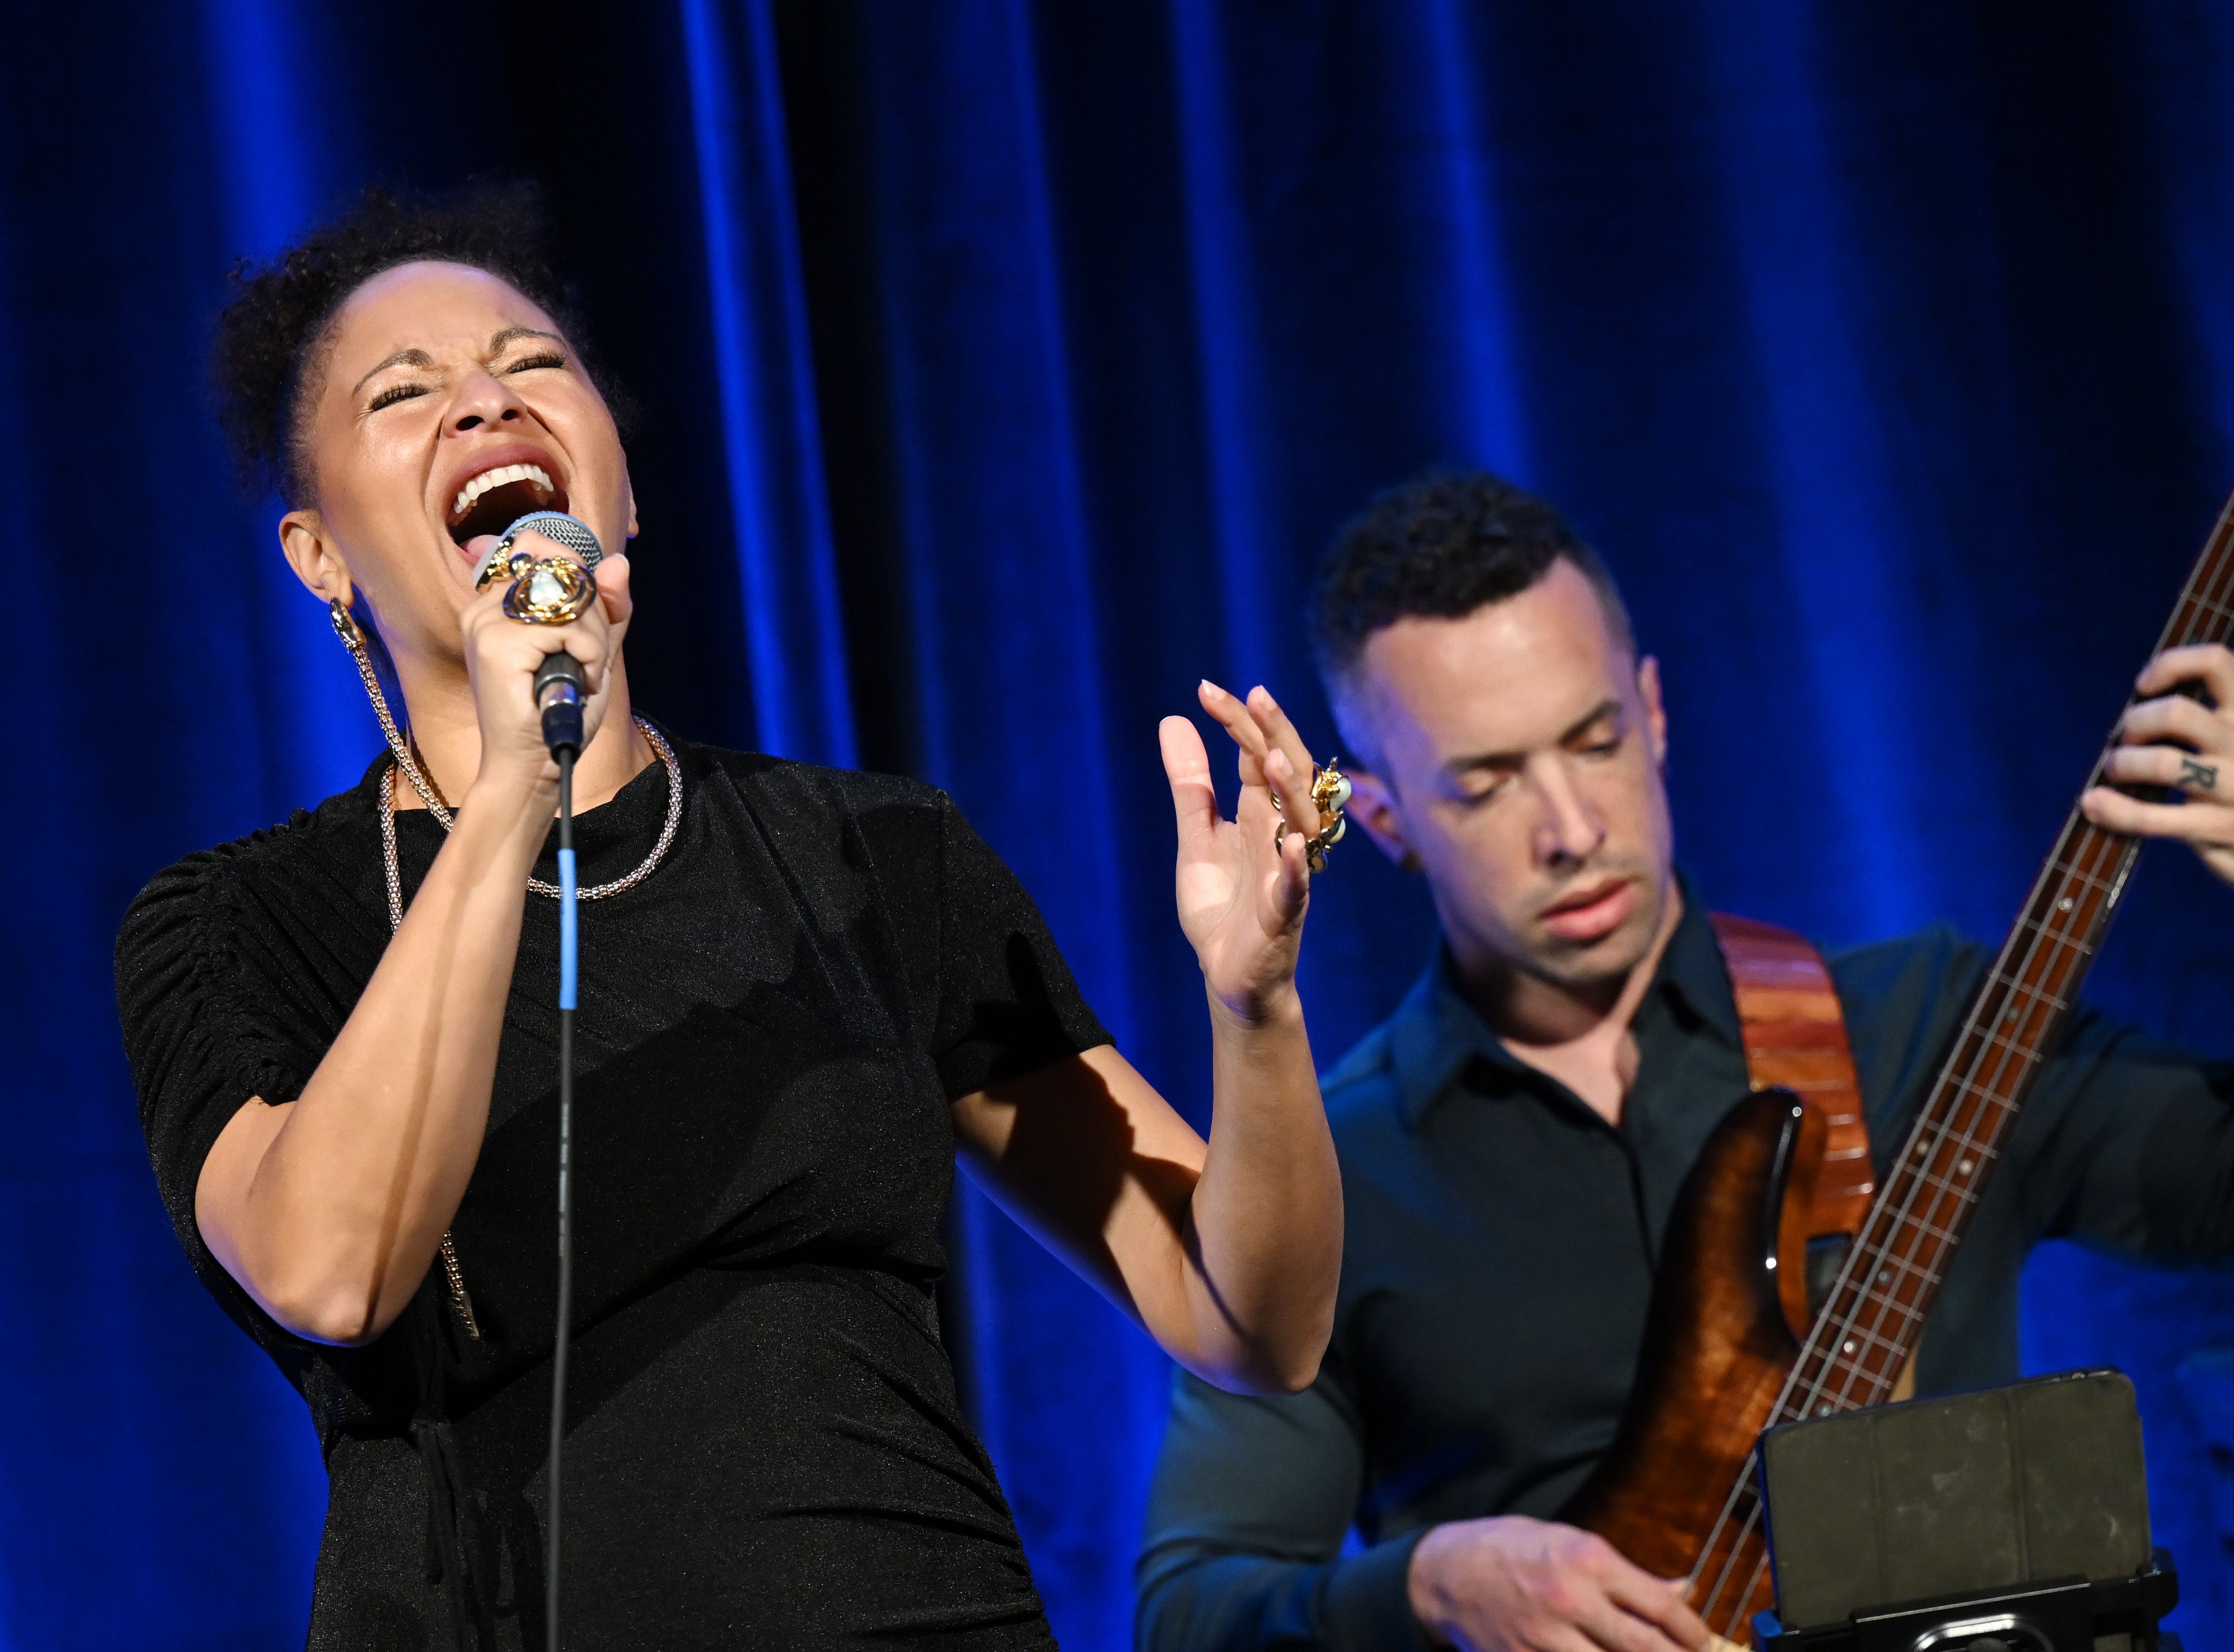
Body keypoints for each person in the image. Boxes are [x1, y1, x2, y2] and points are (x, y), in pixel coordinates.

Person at [112, 186, 1345, 1651]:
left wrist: (1252, 1010)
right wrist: (516, 785)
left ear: (621, 494)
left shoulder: (873, 852)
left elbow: (1249, 1323)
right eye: (404, 391)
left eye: (530, 363)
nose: (480, 405)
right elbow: (331, 1267)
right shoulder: (236, 922)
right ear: (321, 559)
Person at [1134, 470, 2234, 1652]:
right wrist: (1427, 1588)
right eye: (1489, 784)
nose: (1571, 829)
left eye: (1595, 740)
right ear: (1390, 821)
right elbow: (1191, 1612)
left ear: (1653, 712)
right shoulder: (1334, 1169)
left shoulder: (1922, 1019)